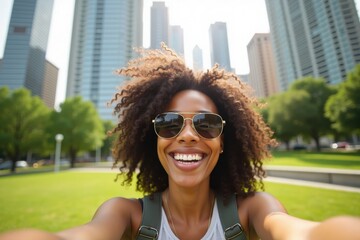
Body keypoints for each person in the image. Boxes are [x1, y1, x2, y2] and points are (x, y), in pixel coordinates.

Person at [1, 44, 360, 240]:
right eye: (170, 123)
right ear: (152, 138)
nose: (187, 134)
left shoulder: (253, 211)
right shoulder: (125, 216)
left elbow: (301, 233)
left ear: (223, 141)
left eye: (206, 124)